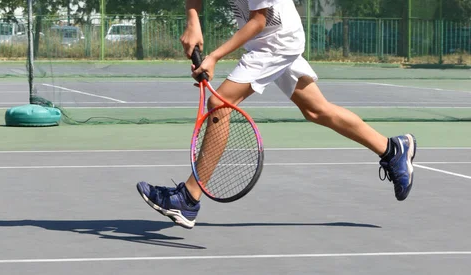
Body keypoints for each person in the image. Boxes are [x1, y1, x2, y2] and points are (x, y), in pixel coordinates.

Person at [136, 0, 416, 229]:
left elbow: (259, 19)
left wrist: (215, 57)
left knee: (219, 104)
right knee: (316, 111)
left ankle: (189, 197)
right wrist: (192, 20)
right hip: (267, 40)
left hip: (277, 41)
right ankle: (392, 149)